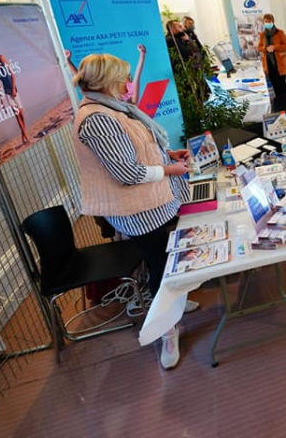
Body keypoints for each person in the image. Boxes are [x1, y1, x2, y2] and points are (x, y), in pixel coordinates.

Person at [71, 54, 192, 369]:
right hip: (141, 210)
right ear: (106, 81)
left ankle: (175, 304)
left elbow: (141, 146)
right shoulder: (97, 119)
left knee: (170, 260)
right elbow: (127, 173)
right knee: (160, 266)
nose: (127, 83)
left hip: (159, 200)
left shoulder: (115, 109)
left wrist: (167, 154)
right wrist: (169, 170)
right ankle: (167, 332)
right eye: (122, 78)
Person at [0, 41, 28, 144]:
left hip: (13, 88)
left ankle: (23, 133)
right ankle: (25, 135)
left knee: (21, 112)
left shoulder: (1, 57)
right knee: (16, 114)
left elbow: (12, 74)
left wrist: (13, 88)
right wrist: (1, 101)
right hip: (6, 91)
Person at [257, 13, 286, 97]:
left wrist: (275, 47)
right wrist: (265, 48)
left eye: (269, 21)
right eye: (266, 21)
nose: (267, 23)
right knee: (274, 83)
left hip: (279, 63)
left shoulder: (280, 33)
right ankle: (279, 101)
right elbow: (259, 47)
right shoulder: (262, 35)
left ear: (273, 21)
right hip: (268, 63)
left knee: (282, 83)